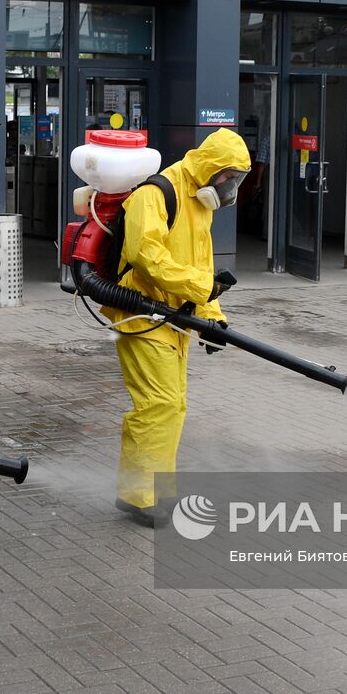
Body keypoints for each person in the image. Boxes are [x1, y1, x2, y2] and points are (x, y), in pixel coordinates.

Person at [103, 127, 252, 527]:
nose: (231, 187)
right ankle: (142, 496)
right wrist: (203, 288)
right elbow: (145, 255)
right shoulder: (157, 193)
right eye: (229, 178)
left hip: (172, 317)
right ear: (211, 169)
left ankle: (147, 488)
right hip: (140, 314)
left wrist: (213, 318)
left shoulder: (200, 204)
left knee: (172, 406)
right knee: (159, 404)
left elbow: (198, 265)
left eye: (238, 179)